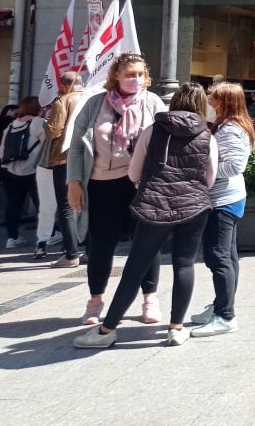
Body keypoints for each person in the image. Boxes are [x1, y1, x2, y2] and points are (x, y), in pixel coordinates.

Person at [73, 83, 218, 349]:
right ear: (200, 106)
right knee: (184, 264)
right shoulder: (208, 135)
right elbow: (210, 178)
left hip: (155, 204)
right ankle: (176, 328)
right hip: (194, 205)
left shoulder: (153, 130)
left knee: (136, 266)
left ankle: (108, 330)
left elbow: (133, 173)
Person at [68, 53, 168, 325]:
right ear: (116, 77)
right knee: (100, 244)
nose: (135, 79)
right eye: (129, 74)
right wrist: (74, 181)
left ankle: (150, 298)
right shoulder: (94, 104)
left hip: (140, 183)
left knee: (146, 242)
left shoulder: (153, 103)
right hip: (101, 183)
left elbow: (164, 143)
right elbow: (77, 145)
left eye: (139, 74)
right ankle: (95, 300)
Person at [191, 82, 252, 338]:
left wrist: (204, 171)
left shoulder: (231, 130)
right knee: (227, 255)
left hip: (223, 200)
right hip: (227, 197)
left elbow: (235, 166)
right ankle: (221, 306)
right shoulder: (229, 126)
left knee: (218, 257)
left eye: (213, 98)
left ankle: (225, 315)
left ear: (224, 102)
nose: (209, 102)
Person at [42, 71, 84, 266]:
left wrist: (46, 122)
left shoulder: (62, 101)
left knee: (67, 207)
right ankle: (90, 249)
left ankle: (71, 253)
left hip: (64, 158)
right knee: (87, 205)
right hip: (88, 157)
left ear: (64, 85)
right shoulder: (92, 98)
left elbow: (54, 131)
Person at [0, 96, 45, 249]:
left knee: (14, 205)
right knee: (42, 204)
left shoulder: (12, 125)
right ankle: (47, 236)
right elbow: (48, 144)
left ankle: (12, 238)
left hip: (9, 170)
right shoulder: (39, 123)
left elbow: (1, 153)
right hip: (32, 170)